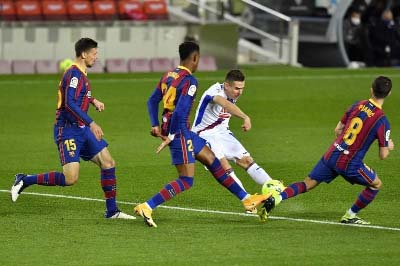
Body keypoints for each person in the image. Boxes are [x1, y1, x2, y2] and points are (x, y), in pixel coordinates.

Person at [134, 41, 271, 227]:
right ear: (195, 58)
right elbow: (181, 112)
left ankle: (247, 199)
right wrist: (173, 136)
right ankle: (147, 206)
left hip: (183, 132)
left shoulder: (168, 75)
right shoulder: (190, 81)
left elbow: (152, 101)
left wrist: (155, 124)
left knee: (213, 161)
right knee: (186, 180)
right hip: (180, 132)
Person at [10, 38, 134, 220]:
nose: (96, 57)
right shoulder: (74, 74)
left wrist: (93, 100)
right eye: (94, 53)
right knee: (70, 178)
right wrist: (92, 122)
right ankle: (25, 179)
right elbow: (69, 102)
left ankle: (112, 211)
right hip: (67, 129)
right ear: (84, 54)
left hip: (81, 128)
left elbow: (79, 95)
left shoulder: (81, 74)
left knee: (108, 162)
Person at [259, 76, 394, 225]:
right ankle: (350, 215)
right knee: (376, 184)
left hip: (333, 153)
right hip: (350, 163)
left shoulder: (357, 104)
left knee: (307, 184)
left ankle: (277, 198)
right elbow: (383, 154)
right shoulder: (382, 120)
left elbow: (338, 130)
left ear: (371, 89)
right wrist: (389, 144)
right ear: (389, 93)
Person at [192, 69, 273, 190]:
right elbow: (226, 104)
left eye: (242, 88)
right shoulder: (215, 92)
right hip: (203, 134)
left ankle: (275, 189)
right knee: (224, 166)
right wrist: (245, 117)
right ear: (226, 85)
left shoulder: (232, 92)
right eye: (237, 88)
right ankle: (247, 200)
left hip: (222, 132)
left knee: (247, 160)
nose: (240, 92)